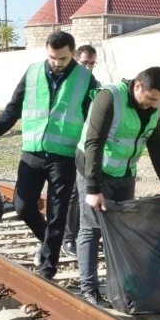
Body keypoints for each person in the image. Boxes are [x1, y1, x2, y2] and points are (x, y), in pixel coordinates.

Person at [0, 31, 99, 280]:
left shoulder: (86, 79)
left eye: (62, 58)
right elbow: (13, 109)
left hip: (64, 156)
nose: (56, 62)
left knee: (58, 213)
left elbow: (93, 120)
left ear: (72, 54)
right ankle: (49, 244)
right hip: (32, 153)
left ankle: (47, 269)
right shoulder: (33, 72)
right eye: (52, 57)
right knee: (22, 207)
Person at [77, 67, 160, 306]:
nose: (154, 104)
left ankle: (124, 285)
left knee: (125, 229)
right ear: (137, 87)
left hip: (124, 173)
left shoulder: (154, 107)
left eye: (159, 100)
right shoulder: (109, 97)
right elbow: (94, 142)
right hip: (94, 171)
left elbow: (156, 145)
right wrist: (93, 188)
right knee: (92, 228)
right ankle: (88, 288)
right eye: (151, 98)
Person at [61, 45, 100, 259]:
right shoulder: (70, 83)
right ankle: (68, 238)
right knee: (72, 195)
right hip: (66, 146)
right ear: (76, 60)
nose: (88, 66)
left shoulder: (95, 85)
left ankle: (84, 236)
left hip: (86, 149)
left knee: (86, 194)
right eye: (85, 62)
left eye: (91, 63)